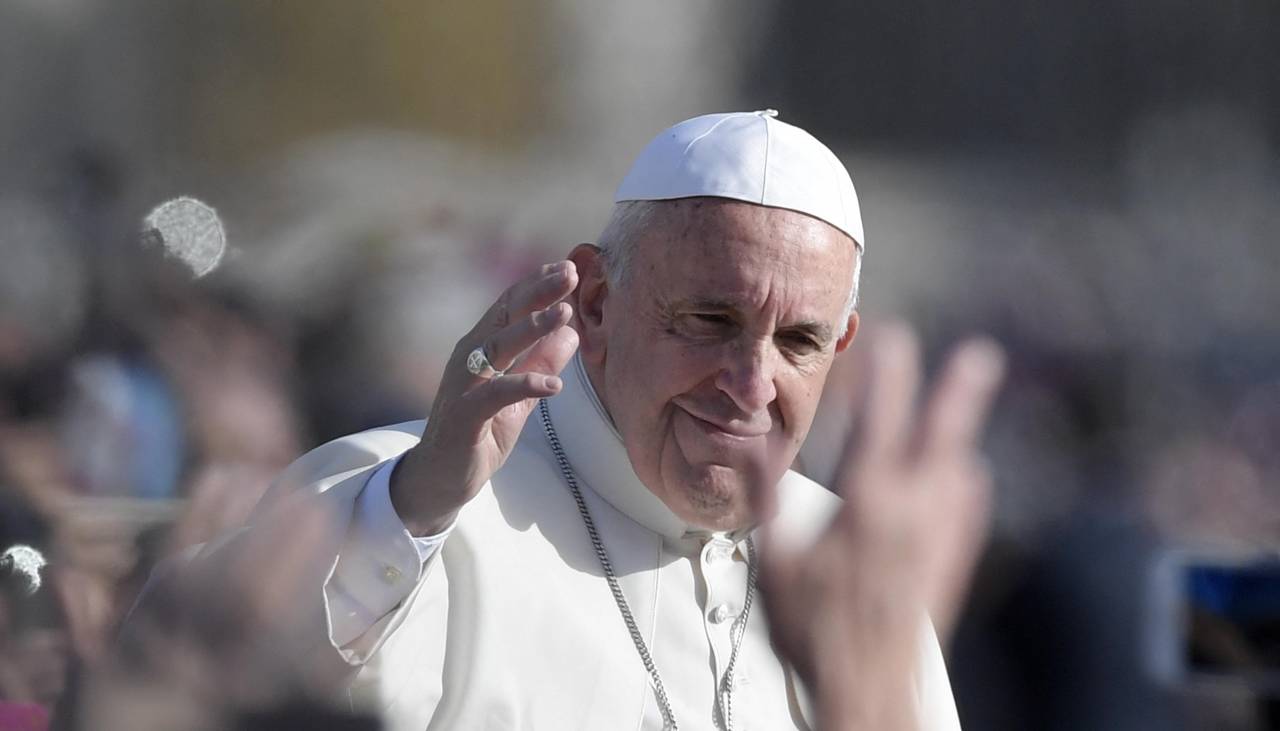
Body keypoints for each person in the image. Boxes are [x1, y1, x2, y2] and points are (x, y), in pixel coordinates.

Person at [154, 110, 1005, 730]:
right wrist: (407, 516)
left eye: (800, 340)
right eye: (709, 322)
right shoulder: (401, 497)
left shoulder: (850, 559)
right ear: (596, 301)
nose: (751, 383)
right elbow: (193, 692)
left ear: (843, 344)